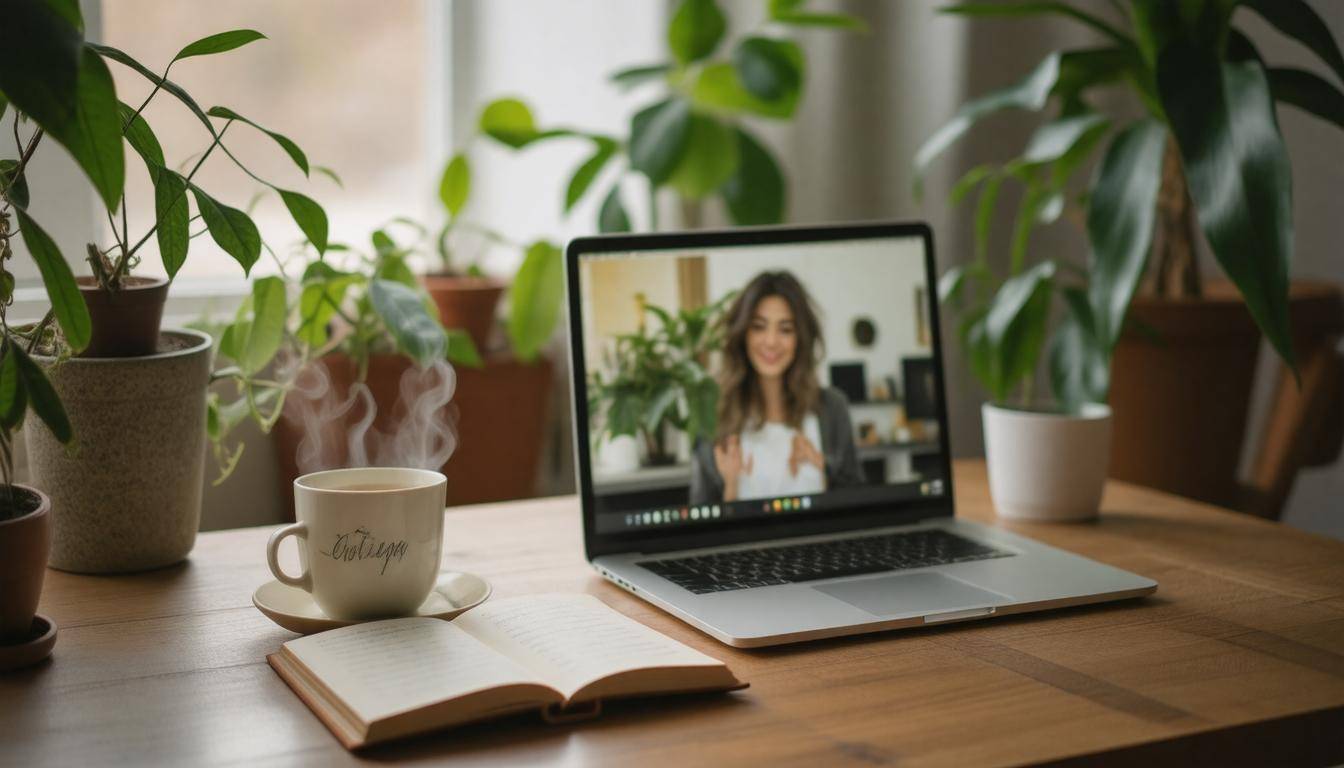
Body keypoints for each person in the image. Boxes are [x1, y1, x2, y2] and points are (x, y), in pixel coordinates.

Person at [690, 270, 862, 505]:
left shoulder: (832, 407)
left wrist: (822, 472)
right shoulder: (713, 412)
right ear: (743, 333)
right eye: (758, 326)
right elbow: (700, 517)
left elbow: (857, 508)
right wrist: (730, 486)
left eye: (785, 329)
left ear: (800, 338)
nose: (771, 341)